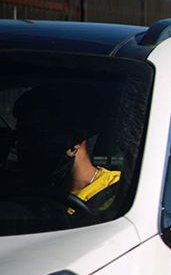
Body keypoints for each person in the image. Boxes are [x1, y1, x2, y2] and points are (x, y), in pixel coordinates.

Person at [13, 83, 121, 215]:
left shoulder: (118, 192)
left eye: (37, 135)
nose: (25, 145)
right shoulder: (29, 194)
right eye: (21, 135)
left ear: (75, 140)